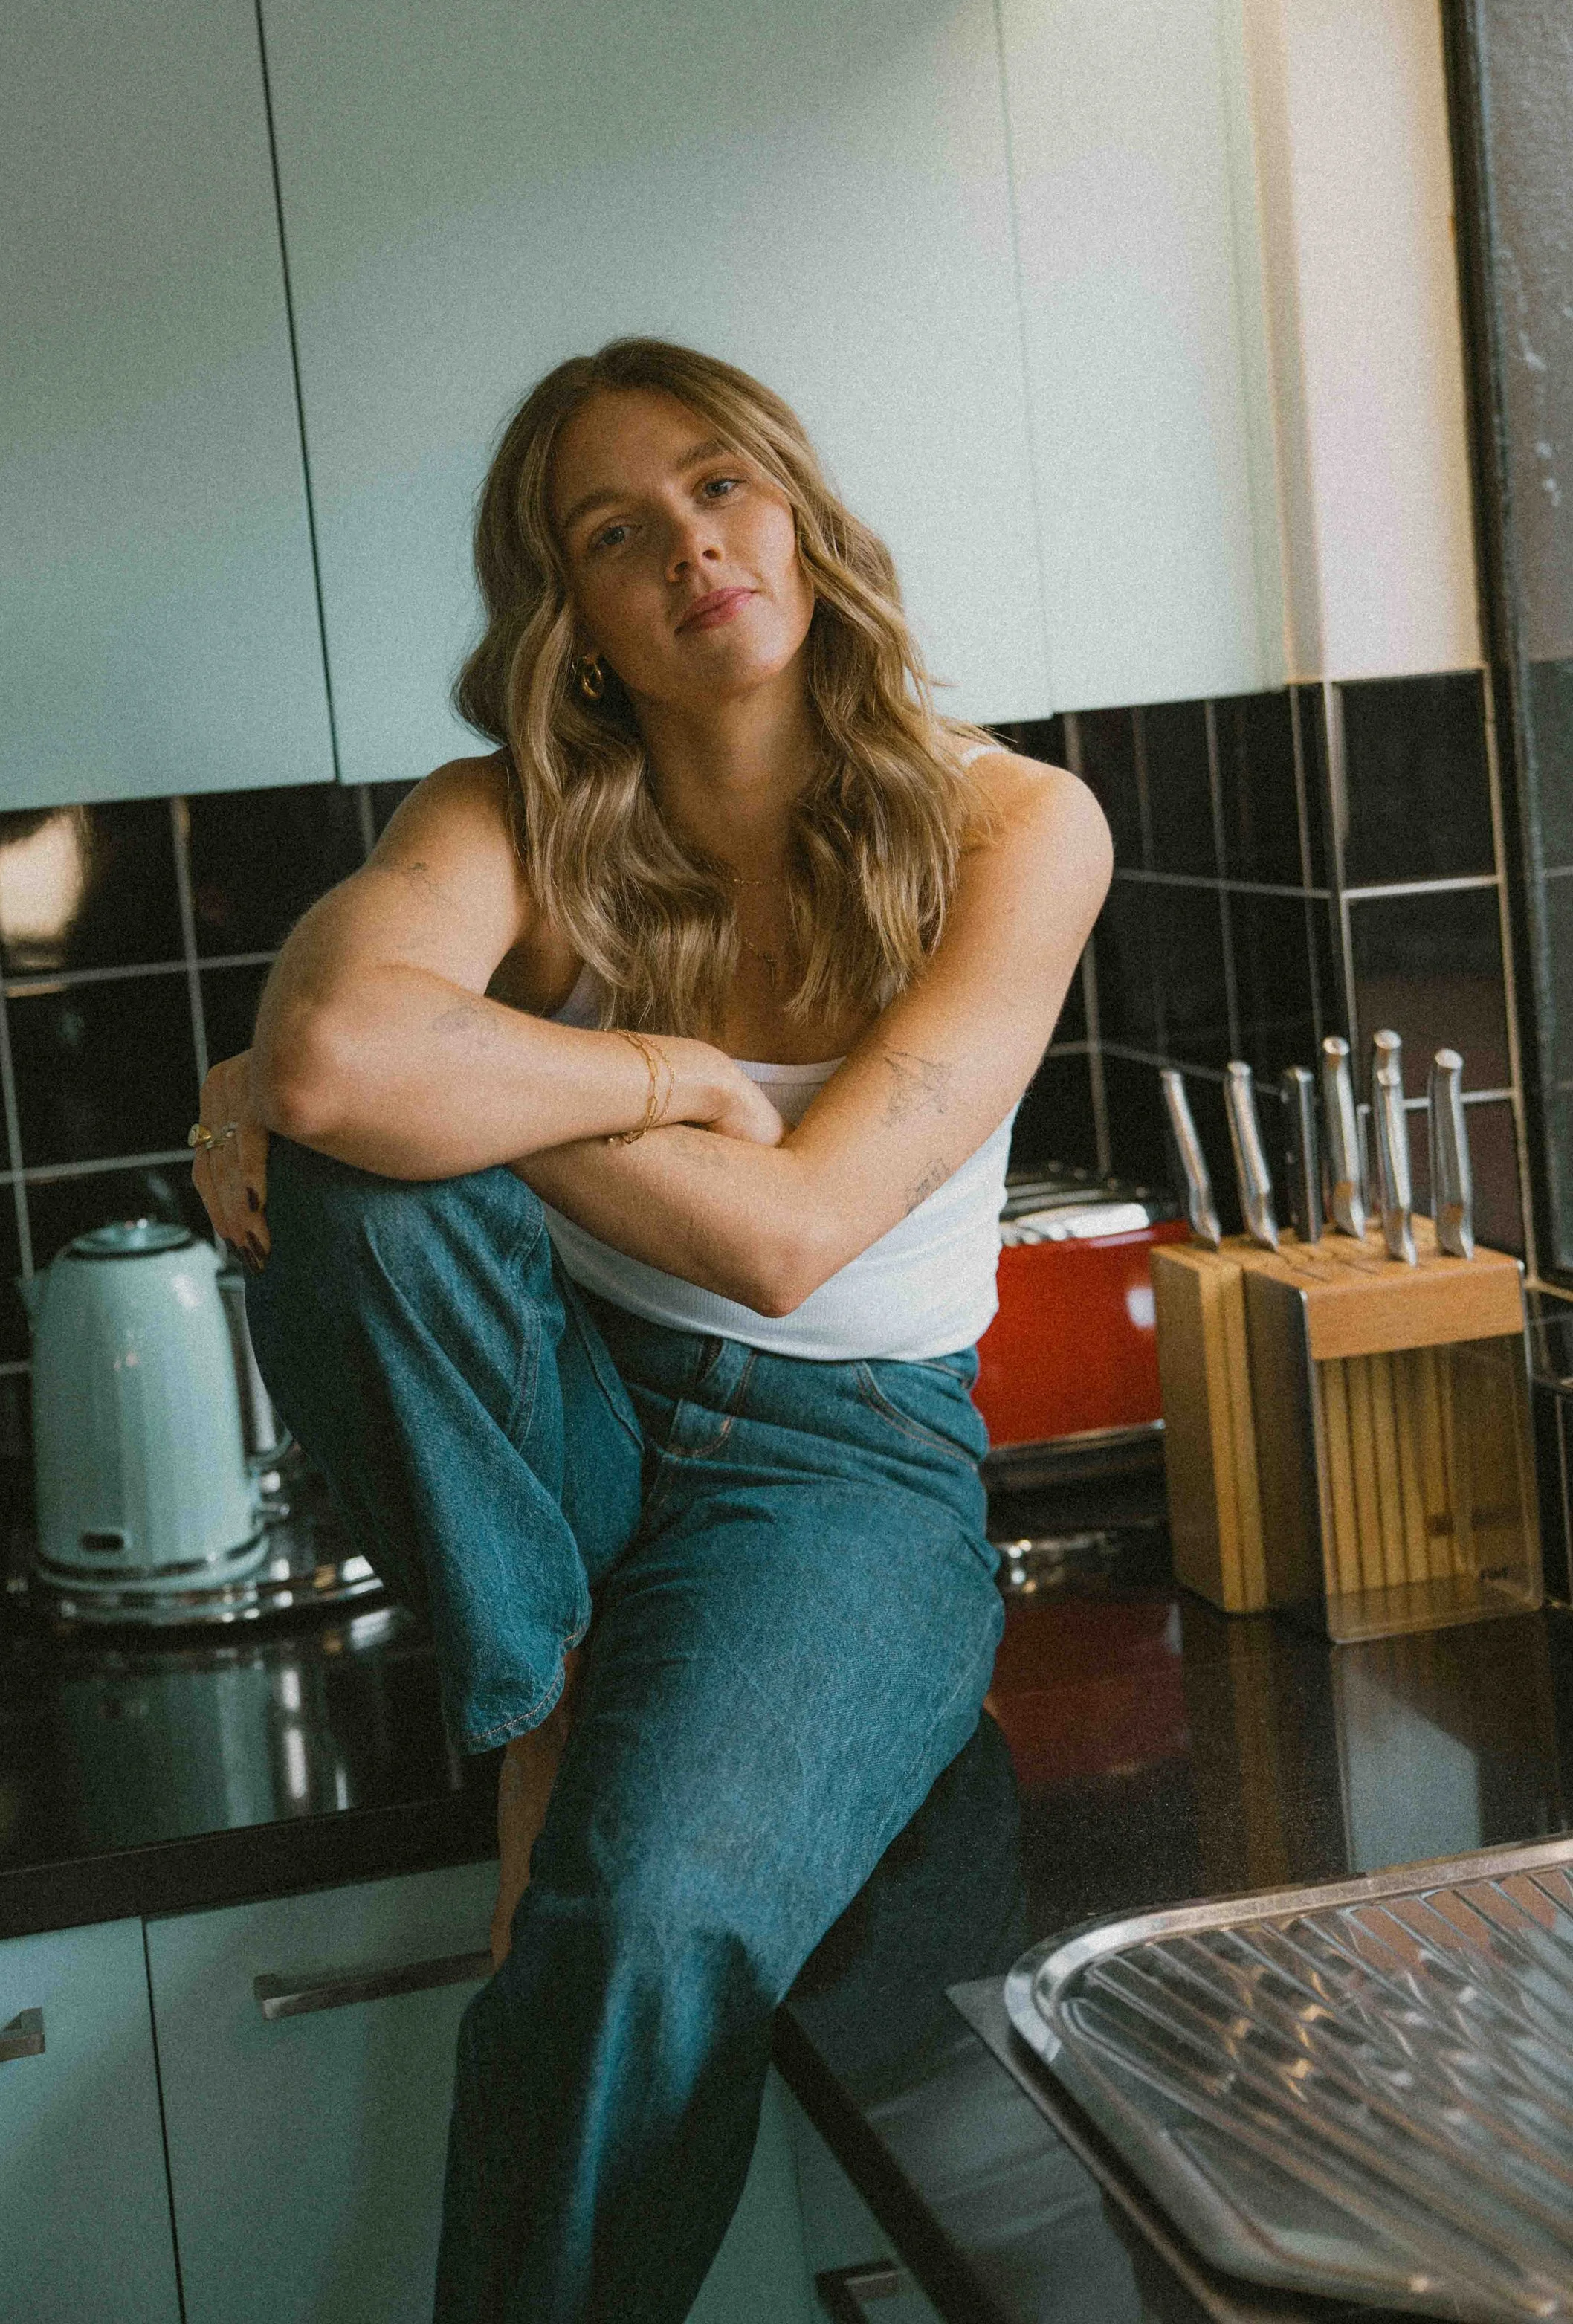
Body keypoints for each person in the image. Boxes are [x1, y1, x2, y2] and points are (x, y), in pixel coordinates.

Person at [188, 336, 1111, 2324]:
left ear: (799, 511)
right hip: (560, 1404)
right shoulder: (507, 815)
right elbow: (339, 1055)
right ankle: (543, 1684)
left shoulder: (1014, 826)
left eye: (719, 484)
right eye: (616, 534)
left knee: (638, 1930)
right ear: (573, 620)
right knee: (359, 1181)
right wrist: (655, 1070)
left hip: (843, 1474)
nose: (691, 545)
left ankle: (556, 1716)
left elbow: (789, 1237)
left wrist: (469, 1079)